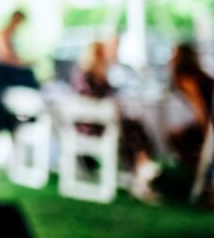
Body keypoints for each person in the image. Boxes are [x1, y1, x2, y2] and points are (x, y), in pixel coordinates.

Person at [72, 41, 160, 202]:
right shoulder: (86, 77)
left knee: (134, 126)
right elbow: (91, 104)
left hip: (107, 122)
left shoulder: (101, 76)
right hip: (92, 125)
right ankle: (142, 168)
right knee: (130, 129)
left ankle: (141, 167)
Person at [167, 43, 213, 176]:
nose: (170, 60)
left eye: (174, 55)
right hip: (208, 126)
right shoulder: (201, 77)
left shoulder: (188, 80)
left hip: (208, 127)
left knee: (175, 137)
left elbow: (200, 108)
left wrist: (205, 133)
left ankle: (197, 173)